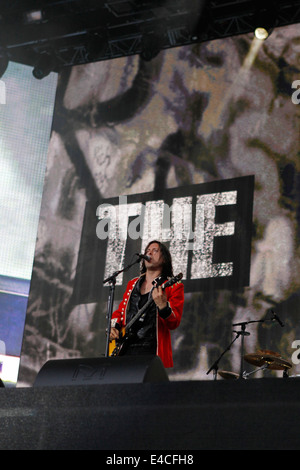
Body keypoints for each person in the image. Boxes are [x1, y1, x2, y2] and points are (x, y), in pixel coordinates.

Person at [109, 240, 184, 368]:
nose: (149, 252)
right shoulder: (133, 284)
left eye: (155, 250)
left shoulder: (174, 286)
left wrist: (163, 307)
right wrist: (114, 327)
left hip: (151, 351)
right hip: (125, 349)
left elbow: (174, 322)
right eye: (147, 250)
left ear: (164, 259)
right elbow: (121, 312)